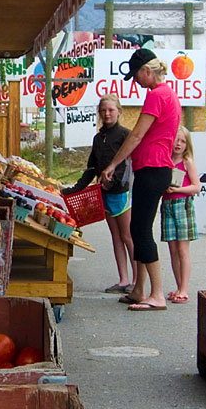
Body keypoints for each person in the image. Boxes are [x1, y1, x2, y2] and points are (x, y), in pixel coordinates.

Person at [100, 48, 183, 311]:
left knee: (141, 230)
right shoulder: (167, 94)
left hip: (154, 167)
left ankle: (156, 294)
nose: (135, 81)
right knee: (138, 228)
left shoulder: (157, 96)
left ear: (148, 71)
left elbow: (135, 135)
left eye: (136, 75)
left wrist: (113, 163)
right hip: (153, 167)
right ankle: (139, 289)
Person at [67, 94, 134, 293]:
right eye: (103, 110)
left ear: (119, 111)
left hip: (120, 193)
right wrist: (74, 189)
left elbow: (127, 165)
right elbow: (91, 168)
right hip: (102, 194)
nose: (107, 114)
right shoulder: (98, 138)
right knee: (115, 237)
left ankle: (138, 280)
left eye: (111, 110)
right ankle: (123, 279)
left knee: (128, 236)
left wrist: (111, 183)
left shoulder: (125, 135)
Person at [162, 125, 200, 303]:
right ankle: (178, 286)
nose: (178, 144)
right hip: (167, 204)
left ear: (187, 144)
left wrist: (179, 189)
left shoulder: (187, 162)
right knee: (172, 249)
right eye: (176, 140)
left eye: (183, 141)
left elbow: (196, 186)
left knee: (183, 249)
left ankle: (184, 289)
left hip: (182, 204)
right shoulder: (166, 161)